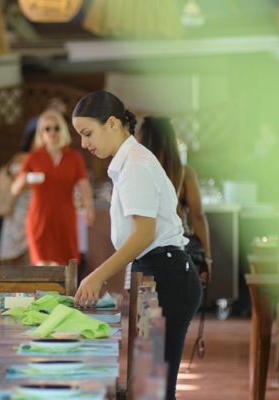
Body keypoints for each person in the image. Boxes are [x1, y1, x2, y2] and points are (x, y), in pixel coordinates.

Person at [71, 91, 202, 400]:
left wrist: (97, 275)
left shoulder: (136, 164)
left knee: (156, 387)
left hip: (167, 274)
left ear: (113, 123)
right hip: (158, 271)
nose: (84, 143)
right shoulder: (128, 162)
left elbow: (144, 235)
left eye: (87, 133)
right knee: (150, 386)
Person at [11, 109, 94, 266]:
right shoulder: (33, 158)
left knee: (64, 268)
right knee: (42, 267)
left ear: (63, 131)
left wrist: (88, 206)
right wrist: (23, 181)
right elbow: (14, 189)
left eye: (56, 128)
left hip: (65, 219)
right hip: (39, 219)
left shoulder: (74, 158)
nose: (52, 132)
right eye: (47, 128)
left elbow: (83, 184)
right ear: (41, 132)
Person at [138, 117, 212, 285]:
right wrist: (207, 258)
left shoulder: (137, 171)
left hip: (142, 246)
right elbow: (197, 216)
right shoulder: (184, 172)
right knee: (178, 299)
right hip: (175, 244)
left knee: (144, 304)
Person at [0, 126, 38, 265]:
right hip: (18, 208)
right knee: (15, 253)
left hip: (34, 208)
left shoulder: (44, 159)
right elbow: (16, 178)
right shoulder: (22, 157)